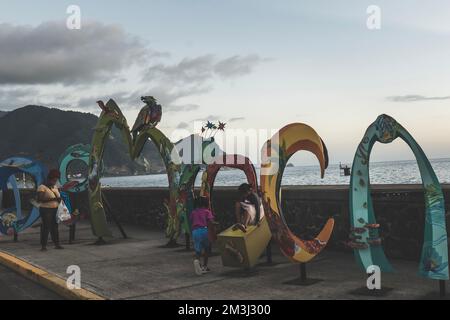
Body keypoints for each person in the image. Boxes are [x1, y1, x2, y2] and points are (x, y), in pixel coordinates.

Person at [36, 169, 63, 251]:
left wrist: (58, 199)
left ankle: (57, 244)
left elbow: (57, 197)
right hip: (46, 209)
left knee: (55, 227)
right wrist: (54, 199)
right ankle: (43, 246)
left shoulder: (55, 187)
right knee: (46, 227)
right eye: (54, 180)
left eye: (56, 180)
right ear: (49, 179)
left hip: (55, 209)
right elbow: (39, 200)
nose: (55, 182)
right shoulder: (42, 187)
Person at [190, 196, 215, 276]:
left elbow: (191, 221)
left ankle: (197, 261)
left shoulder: (194, 212)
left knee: (198, 250)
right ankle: (205, 266)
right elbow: (210, 222)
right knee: (207, 249)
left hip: (195, 231)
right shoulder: (207, 212)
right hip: (204, 230)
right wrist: (212, 233)